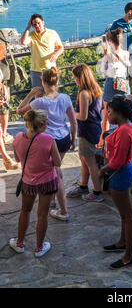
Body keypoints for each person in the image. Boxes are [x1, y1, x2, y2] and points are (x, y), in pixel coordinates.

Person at [17, 67, 77, 221]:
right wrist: (73, 139)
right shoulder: (65, 97)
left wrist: (30, 94)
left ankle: (63, 211)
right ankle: (52, 200)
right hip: (63, 138)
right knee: (56, 170)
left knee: (55, 174)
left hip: (49, 141)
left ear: (43, 81)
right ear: (57, 81)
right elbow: (73, 121)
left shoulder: (39, 102)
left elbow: (20, 111)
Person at [10, 109, 61, 257]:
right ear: (41, 125)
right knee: (42, 215)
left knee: (25, 211)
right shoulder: (49, 140)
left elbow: (18, 159)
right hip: (47, 181)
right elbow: (57, 162)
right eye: (46, 123)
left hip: (28, 181)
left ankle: (19, 243)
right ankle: (39, 248)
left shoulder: (18, 138)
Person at [98, 96, 132, 270]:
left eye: (110, 111)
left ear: (119, 113)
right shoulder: (131, 128)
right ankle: (122, 242)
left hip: (119, 174)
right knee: (124, 214)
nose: (108, 113)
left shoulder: (123, 131)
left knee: (128, 216)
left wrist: (102, 170)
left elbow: (118, 161)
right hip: (125, 171)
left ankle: (128, 256)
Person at [67, 64, 104, 202]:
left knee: (90, 161)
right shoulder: (96, 89)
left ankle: (97, 191)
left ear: (79, 78)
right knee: (84, 158)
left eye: (75, 77)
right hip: (94, 128)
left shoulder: (83, 93)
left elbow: (83, 116)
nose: (75, 80)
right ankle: (83, 185)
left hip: (86, 129)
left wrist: (70, 113)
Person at [99, 28, 130, 147]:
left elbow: (103, 70)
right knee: (124, 111)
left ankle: (103, 142)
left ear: (110, 41)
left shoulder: (108, 55)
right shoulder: (126, 53)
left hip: (111, 82)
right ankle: (123, 137)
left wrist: (105, 53)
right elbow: (128, 67)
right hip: (122, 81)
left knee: (106, 115)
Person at [20, 14, 64, 87]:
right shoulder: (31, 35)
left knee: (52, 93)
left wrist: (56, 54)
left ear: (43, 22)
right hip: (36, 70)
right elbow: (23, 42)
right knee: (38, 94)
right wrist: (28, 27)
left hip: (50, 69)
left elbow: (61, 47)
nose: (37, 25)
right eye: (34, 24)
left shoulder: (52, 33)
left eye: (38, 23)